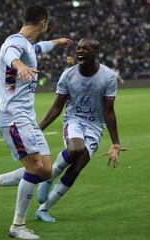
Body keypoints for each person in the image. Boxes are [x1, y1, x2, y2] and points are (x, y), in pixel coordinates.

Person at [0, 5, 73, 239]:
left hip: (27, 118)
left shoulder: (29, 45)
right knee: (34, 168)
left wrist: (57, 42)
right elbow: (9, 54)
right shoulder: (15, 42)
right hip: (13, 117)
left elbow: (39, 48)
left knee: (46, 170)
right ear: (43, 22)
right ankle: (17, 226)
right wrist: (19, 66)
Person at [34, 37, 125, 223]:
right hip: (74, 120)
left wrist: (116, 142)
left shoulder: (108, 77)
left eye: (85, 48)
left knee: (76, 168)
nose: (80, 51)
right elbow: (56, 107)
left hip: (95, 126)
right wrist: (38, 128)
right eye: (79, 48)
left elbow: (109, 112)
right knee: (76, 149)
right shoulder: (68, 75)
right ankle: (48, 179)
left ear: (95, 52)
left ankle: (43, 210)